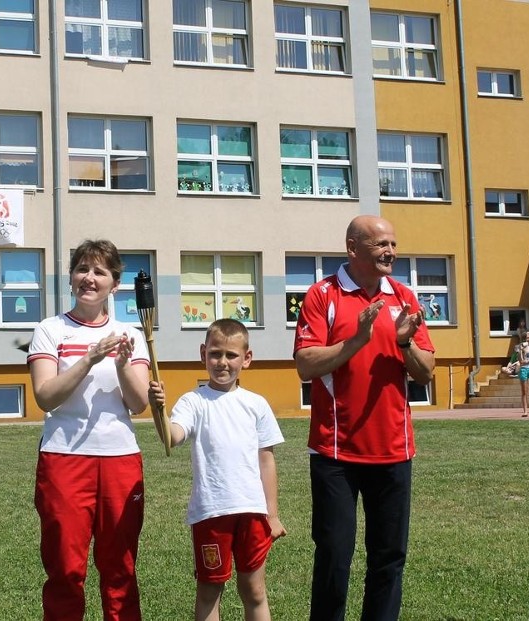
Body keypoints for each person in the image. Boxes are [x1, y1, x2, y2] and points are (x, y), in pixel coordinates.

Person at [293, 215, 436, 621]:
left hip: (394, 450)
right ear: (353, 248)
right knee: (335, 556)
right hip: (336, 453)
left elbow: (425, 371)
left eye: (393, 243)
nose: (391, 251)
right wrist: (357, 339)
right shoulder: (323, 295)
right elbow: (305, 364)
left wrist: (404, 341)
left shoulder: (404, 297)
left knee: (389, 559)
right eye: (380, 244)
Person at [28, 239, 151, 621]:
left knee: (120, 570)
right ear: (71, 278)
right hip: (64, 459)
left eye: (100, 272)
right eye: (82, 269)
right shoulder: (50, 330)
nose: (89, 278)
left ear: (115, 284)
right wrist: (90, 358)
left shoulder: (131, 333)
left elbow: (139, 403)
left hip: (120, 461)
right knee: (65, 570)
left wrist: (120, 365)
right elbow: (46, 397)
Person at [149, 318, 286, 621]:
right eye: (215, 354)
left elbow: (267, 460)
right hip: (211, 513)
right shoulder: (193, 402)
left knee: (255, 590)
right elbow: (172, 437)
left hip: (252, 511)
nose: (222, 362)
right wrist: (157, 409)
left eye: (231, 355)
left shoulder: (256, 404)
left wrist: (272, 514)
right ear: (203, 354)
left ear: (246, 359)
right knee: (210, 591)